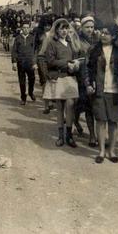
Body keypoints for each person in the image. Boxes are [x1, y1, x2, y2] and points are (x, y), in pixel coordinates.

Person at [84, 23, 118, 164]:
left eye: (106, 33)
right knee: (100, 121)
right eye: (102, 32)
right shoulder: (94, 50)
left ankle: (112, 151)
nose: (103, 35)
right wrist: (88, 84)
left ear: (113, 36)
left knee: (113, 122)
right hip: (99, 89)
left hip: (115, 90)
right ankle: (101, 151)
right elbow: (86, 68)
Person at [44, 19, 81, 148]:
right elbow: (50, 61)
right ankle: (60, 136)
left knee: (70, 106)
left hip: (70, 78)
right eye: (61, 29)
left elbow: (77, 57)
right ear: (56, 30)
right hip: (59, 78)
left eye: (66, 28)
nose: (64, 31)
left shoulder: (71, 43)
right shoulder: (52, 44)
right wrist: (66, 63)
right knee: (60, 108)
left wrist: (76, 64)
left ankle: (69, 135)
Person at [74, 15, 99, 147]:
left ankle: (93, 135)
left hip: (94, 76)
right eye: (87, 27)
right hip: (80, 77)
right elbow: (73, 57)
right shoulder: (76, 40)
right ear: (81, 28)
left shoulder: (97, 39)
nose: (90, 30)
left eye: (92, 27)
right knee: (80, 105)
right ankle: (76, 122)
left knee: (91, 107)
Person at [11, 21, 37, 105]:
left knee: (32, 79)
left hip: (30, 62)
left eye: (27, 27)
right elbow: (14, 51)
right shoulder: (18, 38)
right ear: (22, 29)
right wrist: (14, 62)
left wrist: (35, 62)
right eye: (24, 28)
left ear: (29, 28)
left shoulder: (32, 38)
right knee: (22, 81)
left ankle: (30, 92)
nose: (26, 29)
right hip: (21, 62)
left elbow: (35, 51)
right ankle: (23, 97)